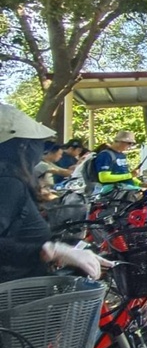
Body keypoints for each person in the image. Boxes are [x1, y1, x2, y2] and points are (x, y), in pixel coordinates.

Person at [0, 104, 110, 282]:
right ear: (23, 146)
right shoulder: (7, 182)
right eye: (38, 143)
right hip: (15, 295)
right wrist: (48, 250)